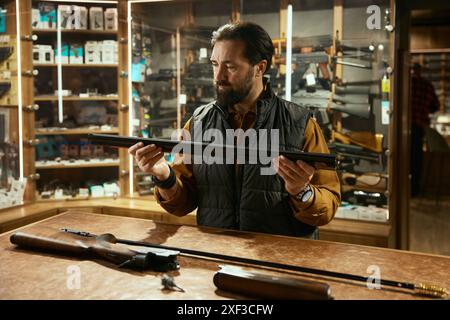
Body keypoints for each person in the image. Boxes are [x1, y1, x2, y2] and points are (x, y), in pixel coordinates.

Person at [129, 22, 341, 239]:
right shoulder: (198, 122)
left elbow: (328, 206)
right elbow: (183, 204)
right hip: (219, 255)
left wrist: (301, 191)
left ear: (259, 68)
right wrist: (164, 176)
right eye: (214, 64)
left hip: (279, 263)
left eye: (230, 66)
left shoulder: (300, 123)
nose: (218, 76)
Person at [410, 63, 440, 197]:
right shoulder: (427, 85)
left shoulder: (405, 83)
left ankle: (401, 188)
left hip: (401, 128)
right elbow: (436, 106)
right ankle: (414, 190)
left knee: (403, 159)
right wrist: (425, 111)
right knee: (416, 161)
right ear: (420, 71)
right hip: (418, 126)